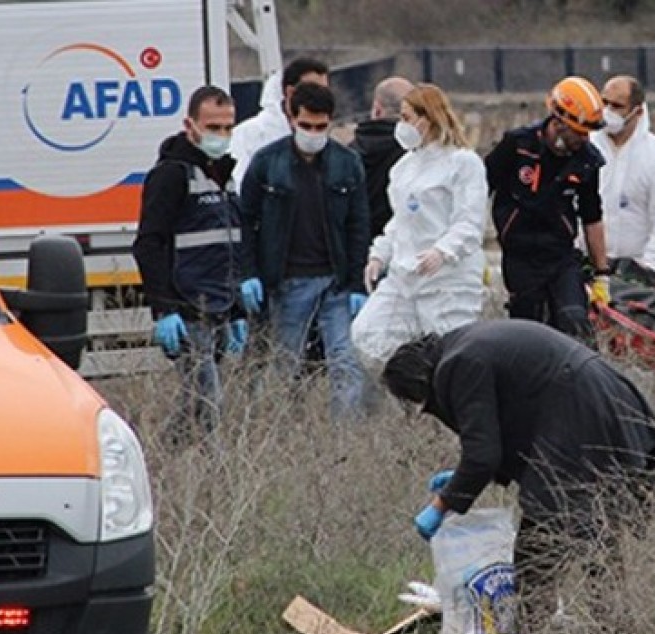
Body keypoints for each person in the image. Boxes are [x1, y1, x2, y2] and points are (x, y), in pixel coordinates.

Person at [383, 320, 655, 626]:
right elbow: (509, 425)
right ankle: (612, 631)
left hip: (579, 411)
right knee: (595, 531)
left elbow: (483, 454)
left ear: (420, 383)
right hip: (599, 398)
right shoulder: (464, 345)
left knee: (538, 553)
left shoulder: (459, 365)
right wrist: (462, 479)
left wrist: (442, 504)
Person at [238, 83, 369, 417]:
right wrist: (249, 273)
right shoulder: (267, 162)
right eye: (306, 125)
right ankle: (278, 427)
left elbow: (358, 226)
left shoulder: (347, 164)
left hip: (336, 281)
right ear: (291, 119)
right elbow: (246, 221)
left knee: (345, 360)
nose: (313, 133)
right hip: (288, 280)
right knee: (284, 363)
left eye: (321, 126)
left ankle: (345, 435)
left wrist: (357, 284)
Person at [132, 85, 246, 445]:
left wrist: (237, 309)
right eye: (213, 127)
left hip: (219, 304)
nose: (221, 135)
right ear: (190, 125)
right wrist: (164, 309)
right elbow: (149, 244)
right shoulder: (171, 175)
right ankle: (219, 472)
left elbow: (228, 246)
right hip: (187, 306)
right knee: (209, 402)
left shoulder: (224, 174)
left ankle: (161, 456)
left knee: (193, 405)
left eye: (228, 127)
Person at [350, 83, 487, 371]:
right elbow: (400, 222)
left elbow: (470, 221)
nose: (401, 125)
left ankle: (439, 393)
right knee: (368, 334)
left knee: (449, 355)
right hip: (405, 276)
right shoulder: (403, 168)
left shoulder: (462, 162)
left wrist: (443, 251)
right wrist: (379, 255)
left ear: (429, 118)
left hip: (447, 280)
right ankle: (410, 386)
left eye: (407, 118)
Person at [485, 76, 612, 343]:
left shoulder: (587, 161)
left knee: (575, 321)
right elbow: (478, 191)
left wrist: (602, 275)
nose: (585, 139)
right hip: (519, 256)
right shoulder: (517, 146)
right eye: (579, 132)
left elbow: (592, 217)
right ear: (559, 122)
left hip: (560, 256)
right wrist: (474, 254)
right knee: (531, 333)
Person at [589, 75, 655, 288]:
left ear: (638, 111)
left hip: (635, 273)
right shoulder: (586, 148)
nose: (607, 111)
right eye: (604, 103)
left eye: (617, 106)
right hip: (587, 267)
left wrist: (649, 265)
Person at [230, 57, 330, 189]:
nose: (320, 97)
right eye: (313, 90)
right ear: (290, 92)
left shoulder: (327, 142)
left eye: (324, 91)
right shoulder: (247, 134)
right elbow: (241, 187)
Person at [350, 76, 415, 242]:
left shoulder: (348, 155)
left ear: (377, 110)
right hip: (404, 243)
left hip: (359, 243)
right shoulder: (414, 153)